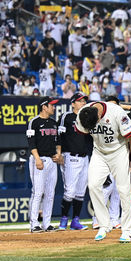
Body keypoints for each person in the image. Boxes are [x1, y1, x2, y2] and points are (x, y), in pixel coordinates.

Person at [75, 99, 131, 243]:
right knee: (93, 185)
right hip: (99, 152)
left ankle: (127, 230)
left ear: (98, 116)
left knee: (124, 190)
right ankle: (104, 225)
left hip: (119, 151)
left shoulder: (116, 112)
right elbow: (81, 130)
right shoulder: (83, 114)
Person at [57, 92, 92, 231]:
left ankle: (75, 220)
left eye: (84, 101)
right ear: (72, 103)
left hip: (85, 158)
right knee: (69, 191)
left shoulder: (87, 119)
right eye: (80, 101)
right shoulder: (66, 117)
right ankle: (63, 219)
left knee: (80, 192)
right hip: (70, 157)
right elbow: (59, 136)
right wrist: (59, 153)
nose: (83, 103)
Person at [27, 97, 62, 233]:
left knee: (50, 193)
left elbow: (58, 141)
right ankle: (34, 223)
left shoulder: (54, 123)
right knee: (38, 192)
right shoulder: (34, 122)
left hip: (52, 161)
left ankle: (47, 223)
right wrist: (37, 159)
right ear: (44, 107)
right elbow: (31, 143)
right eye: (51, 105)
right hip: (39, 160)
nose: (53, 107)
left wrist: (58, 153)